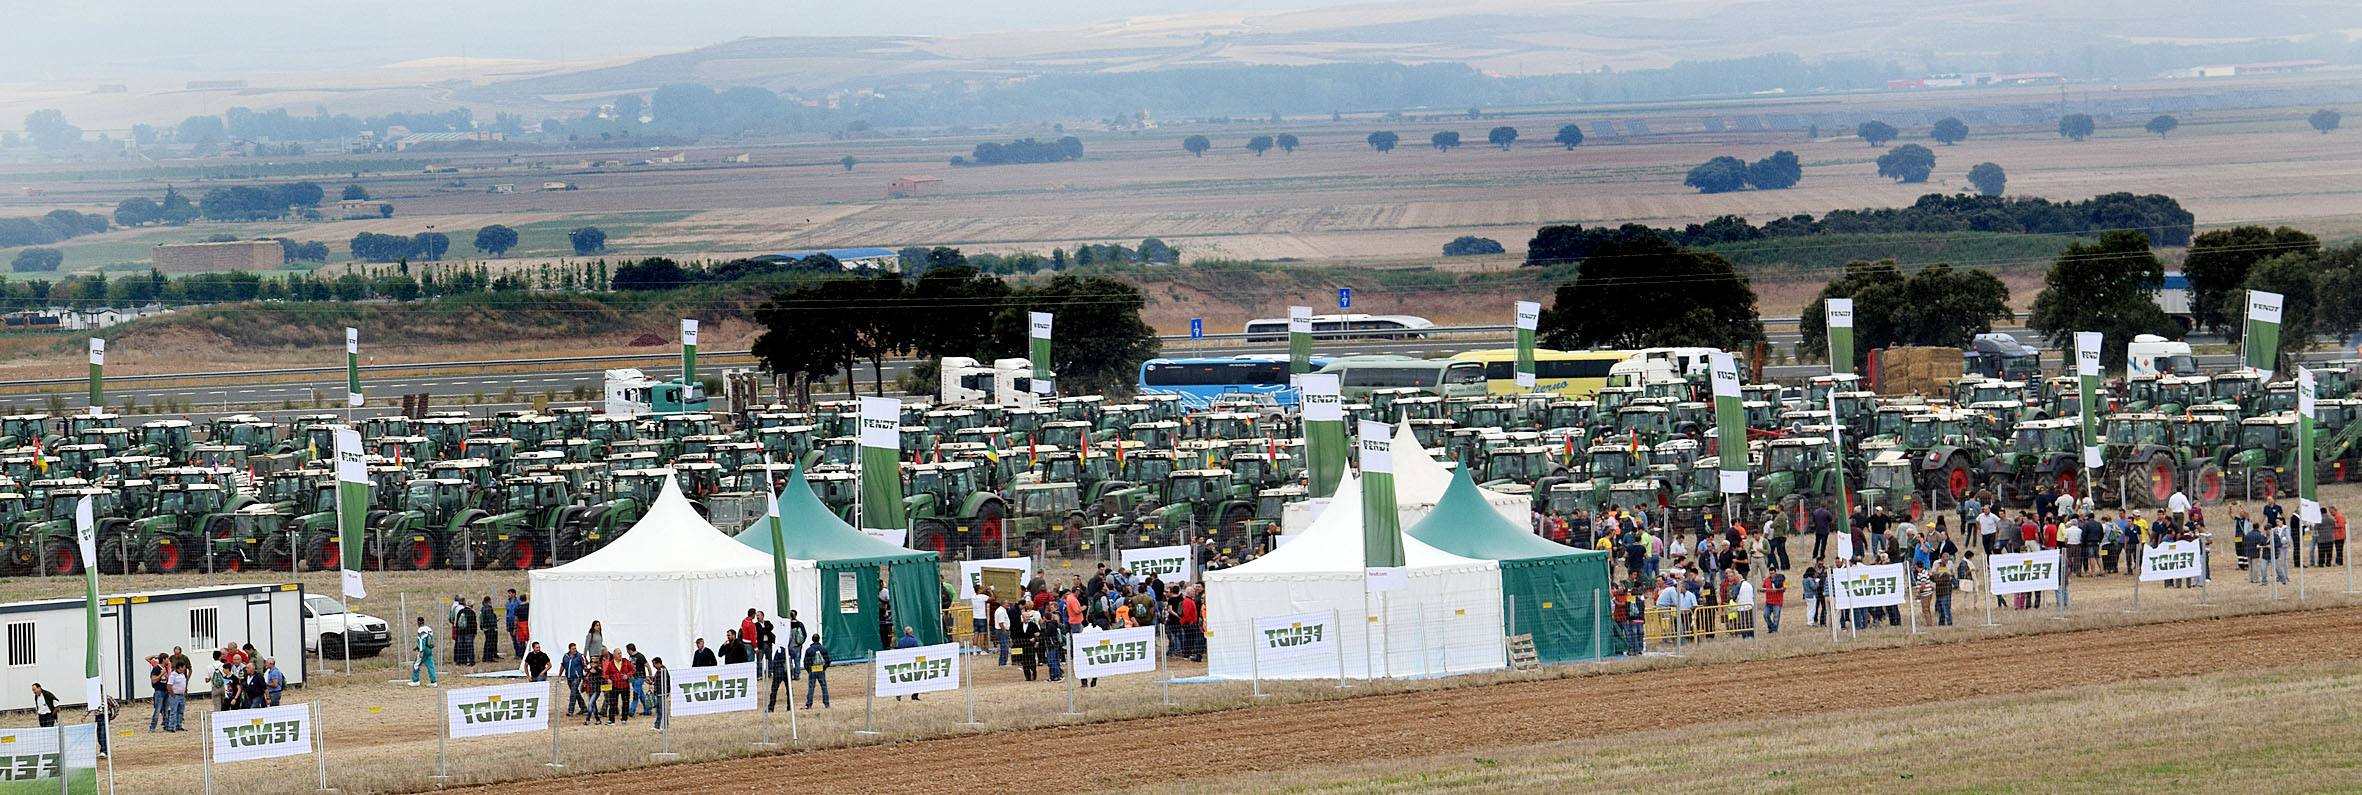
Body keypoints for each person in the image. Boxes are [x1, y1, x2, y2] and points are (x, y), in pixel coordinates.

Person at [894, 626, 925, 700]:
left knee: (903, 679)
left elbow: (899, 650)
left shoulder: (901, 641)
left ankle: (899, 694)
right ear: (911, 632)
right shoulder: (914, 641)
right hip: (912, 663)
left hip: (903, 663)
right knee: (915, 679)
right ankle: (914, 695)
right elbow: (916, 652)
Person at [802, 635, 831, 709]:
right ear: (819, 639)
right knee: (824, 687)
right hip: (821, 669)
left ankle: (809, 704)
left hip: (812, 670)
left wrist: (809, 670)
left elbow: (806, 662)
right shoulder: (823, 649)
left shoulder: (809, 650)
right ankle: (826, 703)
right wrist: (824, 668)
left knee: (811, 687)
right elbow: (827, 660)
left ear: (812, 640)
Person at [560, 643, 588, 715]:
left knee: (573, 693)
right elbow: (562, 666)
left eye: (575, 648)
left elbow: (585, 666)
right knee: (576, 693)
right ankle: (584, 708)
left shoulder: (580, 656)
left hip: (577, 677)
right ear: (569, 649)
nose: (575, 650)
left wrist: (585, 677)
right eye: (573, 649)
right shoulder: (565, 656)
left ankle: (570, 710)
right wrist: (559, 675)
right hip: (569, 677)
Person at [765, 640, 792, 712]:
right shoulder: (789, 651)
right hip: (787, 673)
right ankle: (790, 706)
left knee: (774, 690)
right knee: (789, 690)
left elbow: (774, 662)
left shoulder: (778, 651)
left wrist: (773, 671)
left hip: (778, 673)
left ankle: (771, 707)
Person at [411, 617, 438, 687]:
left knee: (416, 664)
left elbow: (421, 640)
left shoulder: (421, 630)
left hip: (424, 650)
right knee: (431, 666)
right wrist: (417, 647)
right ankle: (434, 682)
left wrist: (421, 651)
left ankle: (415, 681)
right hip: (429, 649)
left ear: (418, 622)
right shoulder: (429, 629)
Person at [646, 657, 671, 732]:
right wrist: (651, 681)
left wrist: (651, 682)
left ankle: (663, 726)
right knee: (660, 710)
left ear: (658, 663)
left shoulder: (662, 671)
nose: (653, 666)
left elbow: (662, 682)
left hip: (662, 693)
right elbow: (657, 680)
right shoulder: (659, 671)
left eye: (654, 664)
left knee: (662, 710)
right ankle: (659, 725)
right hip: (660, 693)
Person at [147, 652, 170, 732]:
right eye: (167, 658)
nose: (168, 660)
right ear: (163, 659)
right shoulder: (156, 668)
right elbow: (153, 680)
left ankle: (166, 726)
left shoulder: (166, 668)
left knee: (166, 710)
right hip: (159, 691)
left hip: (166, 691)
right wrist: (161, 674)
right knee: (158, 709)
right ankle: (152, 727)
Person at [627, 644, 651, 718]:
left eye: (627, 650)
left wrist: (650, 676)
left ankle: (631, 711)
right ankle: (647, 710)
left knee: (636, 694)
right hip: (633, 678)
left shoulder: (640, 656)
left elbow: (648, 666)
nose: (627, 652)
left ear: (630, 650)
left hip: (639, 678)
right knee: (641, 694)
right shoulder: (631, 657)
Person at [452, 597, 476, 667]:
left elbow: (456, 622)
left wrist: (457, 630)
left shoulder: (460, 612)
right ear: (471, 605)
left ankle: (460, 661)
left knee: (460, 647)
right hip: (469, 632)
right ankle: (471, 661)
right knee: (469, 647)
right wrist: (474, 633)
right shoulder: (472, 612)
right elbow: (474, 624)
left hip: (460, 632)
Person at [165, 663, 189, 732]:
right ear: (179, 667)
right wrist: (173, 694)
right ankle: (171, 727)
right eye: (183, 667)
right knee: (174, 711)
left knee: (181, 711)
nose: (184, 668)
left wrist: (185, 690)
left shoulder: (182, 674)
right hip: (175, 695)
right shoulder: (173, 675)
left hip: (181, 695)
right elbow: (169, 685)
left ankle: (179, 725)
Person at [785, 610, 809, 680]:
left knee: (789, 661)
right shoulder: (800, 624)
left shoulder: (788, 624)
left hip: (789, 646)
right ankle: (797, 675)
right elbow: (805, 634)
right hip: (798, 646)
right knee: (797, 661)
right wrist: (801, 643)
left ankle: (790, 674)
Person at [479, 596, 503, 664]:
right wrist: (494, 623)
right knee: (490, 643)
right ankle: (489, 658)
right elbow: (490, 619)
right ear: (489, 601)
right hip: (490, 628)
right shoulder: (488, 609)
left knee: (487, 643)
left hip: (486, 628)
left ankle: (485, 657)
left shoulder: (483, 608)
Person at [505, 589, 526, 659]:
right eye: (508, 593)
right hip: (510, 623)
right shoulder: (507, 603)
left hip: (517, 623)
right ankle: (517, 654)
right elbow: (507, 613)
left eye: (510, 593)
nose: (509, 595)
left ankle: (522, 654)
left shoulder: (518, 602)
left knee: (519, 639)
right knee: (513, 640)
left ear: (514, 594)